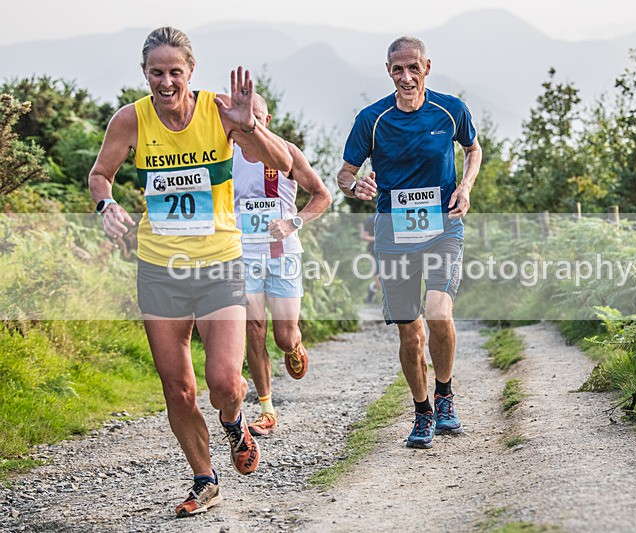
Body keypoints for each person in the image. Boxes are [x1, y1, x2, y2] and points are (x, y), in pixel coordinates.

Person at [87, 27, 292, 517]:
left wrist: (251, 127)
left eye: (175, 71)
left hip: (220, 262)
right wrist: (106, 205)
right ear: (145, 73)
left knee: (224, 381)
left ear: (190, 72)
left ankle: (235, 421)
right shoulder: (129, 120)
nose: (165, 81)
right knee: (177, 388)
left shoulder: (219, 112)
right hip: (160, 268)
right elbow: (100, 175)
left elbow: (282, 163)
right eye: (156, 72)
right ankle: (205, 479)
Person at [337, 36, 482, 449]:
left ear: (427, 67)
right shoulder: (372, 119)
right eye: (397, 69)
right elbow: (345, 174)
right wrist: (356, 184)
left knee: (438, 312)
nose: (406, 76)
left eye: (413, 67)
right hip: (393, 233)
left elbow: (474, 150)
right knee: (410, 333)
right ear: (388, 71)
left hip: (443, 227)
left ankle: (445, 396)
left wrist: (466, 187)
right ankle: (422, 412)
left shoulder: (450, 110)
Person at [232, 93, 332, 435]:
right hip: (243, 254)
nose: (250, 123)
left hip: (282, 254)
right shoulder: (224, 154)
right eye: (243, 116)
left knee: (283, 337)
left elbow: (323, 195)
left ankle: (295, 344)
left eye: (256, 116)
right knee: (253, 330)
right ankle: (266, 408)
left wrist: (293, 223)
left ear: (267, 120)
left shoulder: (285, 152)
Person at [359, 211, 380, 303]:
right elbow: (363, 236)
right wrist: (378, 239)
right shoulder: (371, 219)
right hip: (374, 250)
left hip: (390, 250)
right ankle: (373, 289)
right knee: (380, 279)